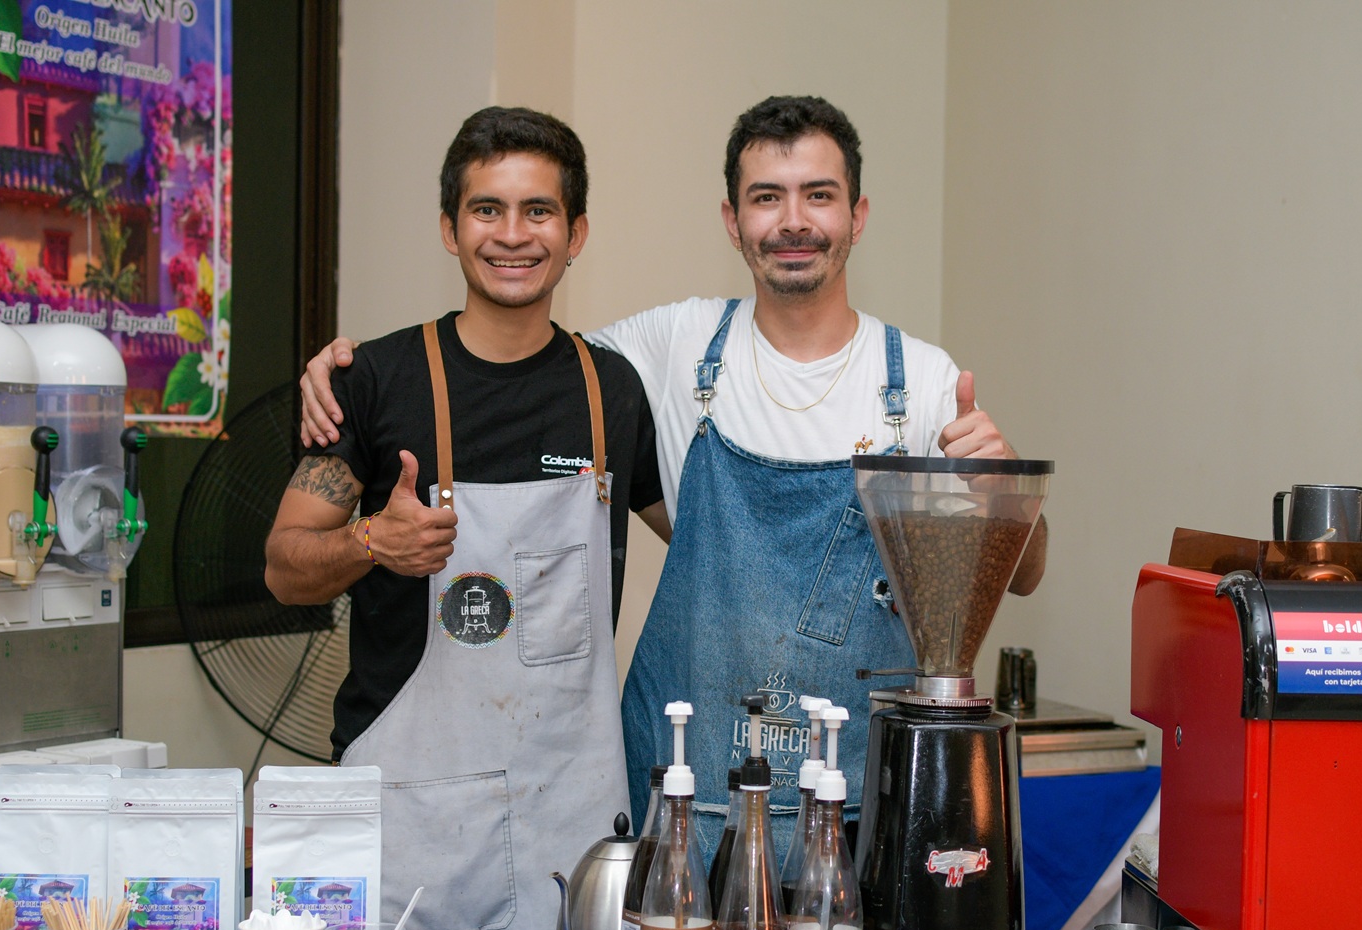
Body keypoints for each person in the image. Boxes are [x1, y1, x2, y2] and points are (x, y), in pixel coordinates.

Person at [297, 96, 1047, 859]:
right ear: (732, 220)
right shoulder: (668, 349)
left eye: (818, 195)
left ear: (857, 215)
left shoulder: (921, 382)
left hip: (853, 806)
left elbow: (1021, 576)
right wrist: (346, 375)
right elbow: (511, 353)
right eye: (767, 197)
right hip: (690, 800)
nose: (793, 221)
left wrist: (1004, 493)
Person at [265, 106, 665, 930]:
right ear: (450, 229)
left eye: (538, 210)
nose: (512, 235)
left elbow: (710, 540)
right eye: (487, 209)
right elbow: (284, 568)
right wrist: (372, 544)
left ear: (576, 233)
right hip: (417, 819)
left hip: (572, 815)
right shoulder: (374, 380)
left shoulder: (613, 392)